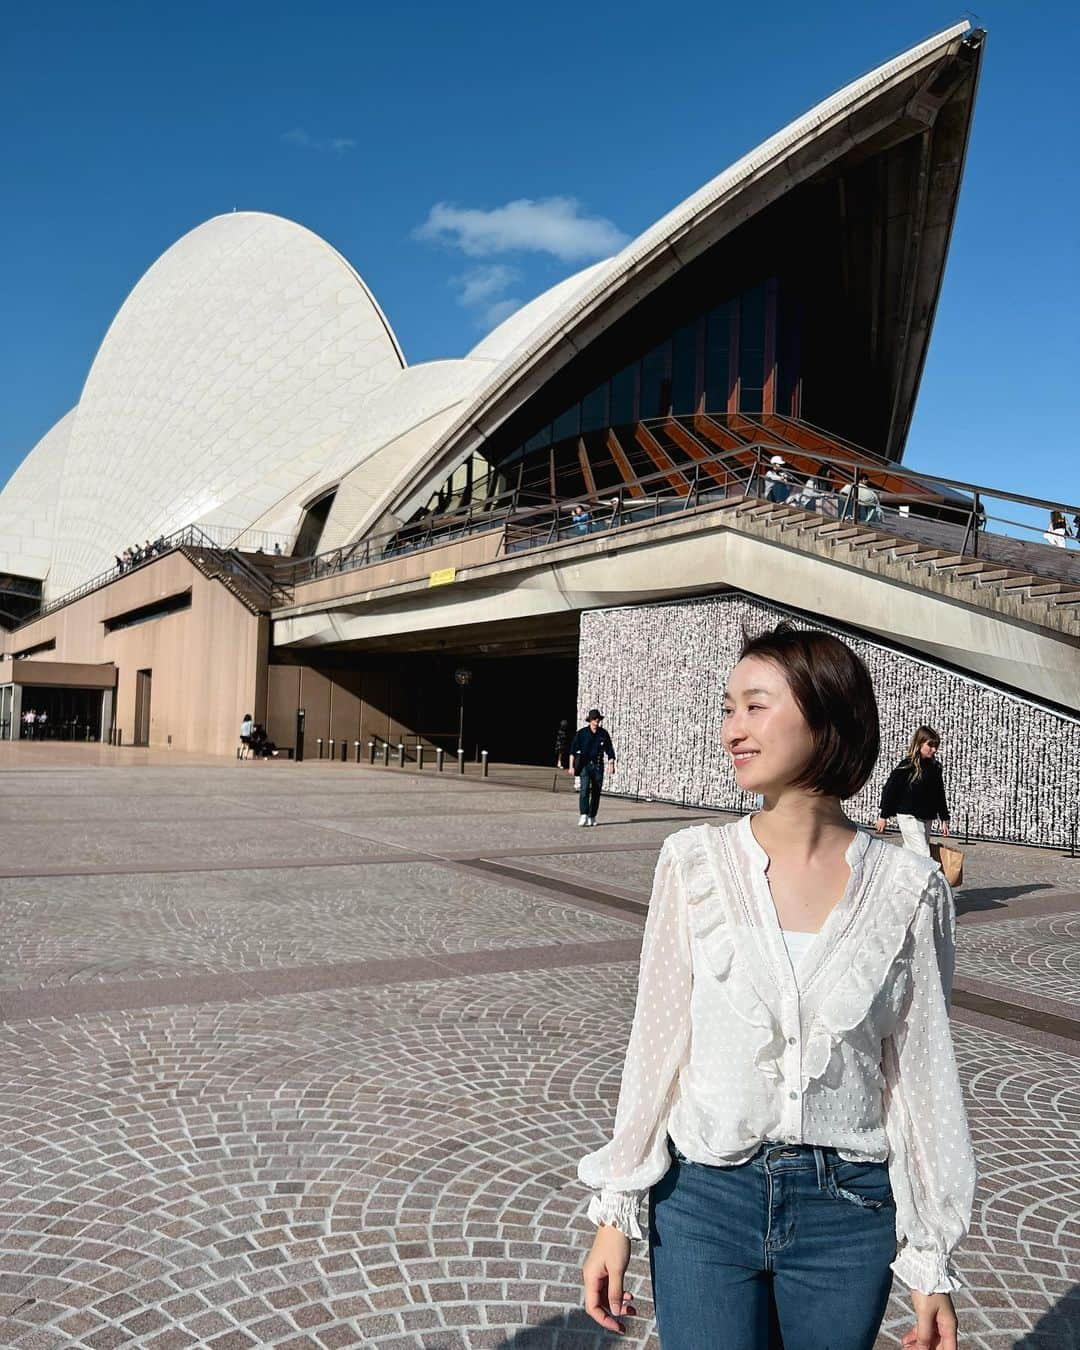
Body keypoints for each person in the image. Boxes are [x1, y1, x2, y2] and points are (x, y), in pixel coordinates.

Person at [578, 625, 974, 1350]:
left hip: (848, 1214)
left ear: (826, 718)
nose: (733, 729)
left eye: (755, 707)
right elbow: (657, 1045)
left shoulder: (908, 890)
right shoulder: (692, 863)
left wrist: (931, 1263)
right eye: (728, 709)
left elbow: (920, 1081)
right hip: (702, 1199)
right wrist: (616, 1212)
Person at [875, 726, 951, 857]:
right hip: (908, 816)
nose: (934, 750)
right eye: (930, 745)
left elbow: (939, 793)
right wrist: (884, 816)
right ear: (919, 743)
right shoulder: (907, 766)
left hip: (926, 817)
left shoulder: (935, 768)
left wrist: (944, 818)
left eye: (936, 746)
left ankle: (900, 876)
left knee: (912, 855)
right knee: (923, 854)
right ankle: (928, 878)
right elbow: (890, 790)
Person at [568, 709, 615, 826]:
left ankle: (592, 815)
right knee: (584, 790)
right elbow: (572, 751)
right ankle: (583, 814)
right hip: (585, 765)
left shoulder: (603, 734)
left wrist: (611, 765)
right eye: (594, 719)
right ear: (590, 720)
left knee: (596, 792)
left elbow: (610, 751)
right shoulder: (582, 733)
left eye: (598, 719)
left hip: (598, 766)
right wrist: (571, 767)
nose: (597, 721)